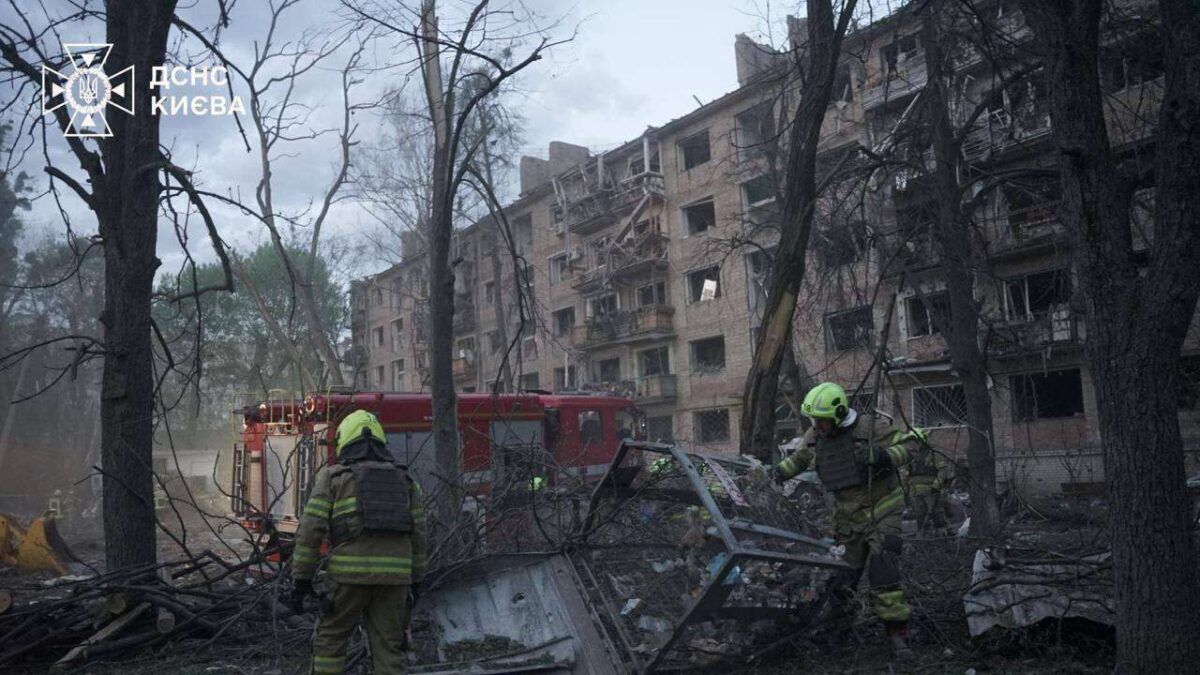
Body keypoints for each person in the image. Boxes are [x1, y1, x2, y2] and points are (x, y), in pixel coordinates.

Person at [770, 382, 925, 660]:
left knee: (884, 571)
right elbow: (798, 461)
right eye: (813, 420)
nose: (816, 425)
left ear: (839, 415)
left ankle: (897, 636)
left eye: (821, 420)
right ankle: (840, 633)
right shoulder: (815, 435)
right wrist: (774, 475)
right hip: (846, 517)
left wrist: (884, 456)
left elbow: (915, 442)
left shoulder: (870, 429)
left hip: (882, 509)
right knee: (842, 580)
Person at [291, 410, 427, 674]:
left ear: (345, 441)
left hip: (347, 580)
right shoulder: (406, 481)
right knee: (390, 648)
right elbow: (419, 534)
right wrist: (417, 579)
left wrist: (301, 580)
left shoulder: (334, 478)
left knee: (330, 642)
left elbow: (310, 531)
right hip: (395, 582)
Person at [904, 432, 951, 535]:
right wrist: (906, 491)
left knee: (936, 512)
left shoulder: (934, 453)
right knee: (919, 514)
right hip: (915, 492)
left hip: (930, 491)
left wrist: (936, 486)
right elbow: (907, 475)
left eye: (915, 441)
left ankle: (943, 535)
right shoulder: (911, 456)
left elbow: (942, 470)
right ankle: (923, 536)